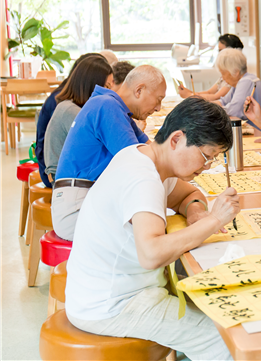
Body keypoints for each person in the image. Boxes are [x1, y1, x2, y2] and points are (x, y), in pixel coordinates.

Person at [65, 97, 238, 361]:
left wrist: (196, 212)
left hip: (109, 291)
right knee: (228, 340)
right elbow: (151, 253)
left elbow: (188, 195)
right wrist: (213, 221)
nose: (206, 166)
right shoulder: (143, 178)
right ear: (177, 139)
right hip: (113, 304)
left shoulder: (145, 158)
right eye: (206, 155)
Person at [52, 65, 167, 241]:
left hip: (86, 199)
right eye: (158, 99)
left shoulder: (119, 110)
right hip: (75, 209)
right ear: (139, 90)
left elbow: (154, 153)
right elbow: (141, 163)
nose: (159, 107)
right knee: (151, 235)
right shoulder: (107, 106)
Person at [35, 53, 107, 187]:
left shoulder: (71, 97)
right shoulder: (68, 107)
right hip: (56, 174)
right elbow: (95, 145)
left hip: (60, 167)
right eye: (107, 85)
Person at [213, 47, 261, 129]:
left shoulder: (247, 81)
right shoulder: (239, 82)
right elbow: (223, 101)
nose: (222, 78)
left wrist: (211, 109)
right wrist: (204, 106)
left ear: (236, 72)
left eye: (223, 73)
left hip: (259, 132)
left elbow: (234, 111)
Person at [177, 34, 244, 101]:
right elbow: (209, 92)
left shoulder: (233, 78)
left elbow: (215, 97)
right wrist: (190, 92)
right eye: (218, 51)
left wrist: (189, 96)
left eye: (221, 50)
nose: (219, 54)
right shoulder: (224, 76)